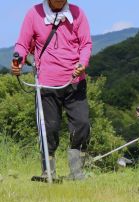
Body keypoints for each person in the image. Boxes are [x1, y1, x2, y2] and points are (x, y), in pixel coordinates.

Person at [11, 0, 92, 180]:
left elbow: (86, 44)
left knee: (82, 124)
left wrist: (82, 63)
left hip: (75, 80)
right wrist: (18, 62)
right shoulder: (34, 13)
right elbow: (23, 45)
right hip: (46, 82)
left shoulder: (78, 13)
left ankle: (77, 172)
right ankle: (49, 172)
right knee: (49, 128)